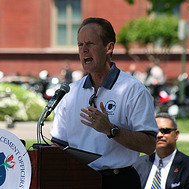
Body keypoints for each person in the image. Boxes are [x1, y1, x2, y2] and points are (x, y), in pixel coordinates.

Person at [50, 17, 158, 189]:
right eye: (80, 45)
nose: (84, 50)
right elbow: (59, 144)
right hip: (79, 180)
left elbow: (149, 145)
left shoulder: (133, 90)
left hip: (119, 181)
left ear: (109, 47)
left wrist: (111, 130)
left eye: (90, 44)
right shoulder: (69, 93)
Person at [134, 113, 189, 189]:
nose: (159, 135)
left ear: (176, 134)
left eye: (165, 131)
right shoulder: (138, 164)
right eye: (155, 131)